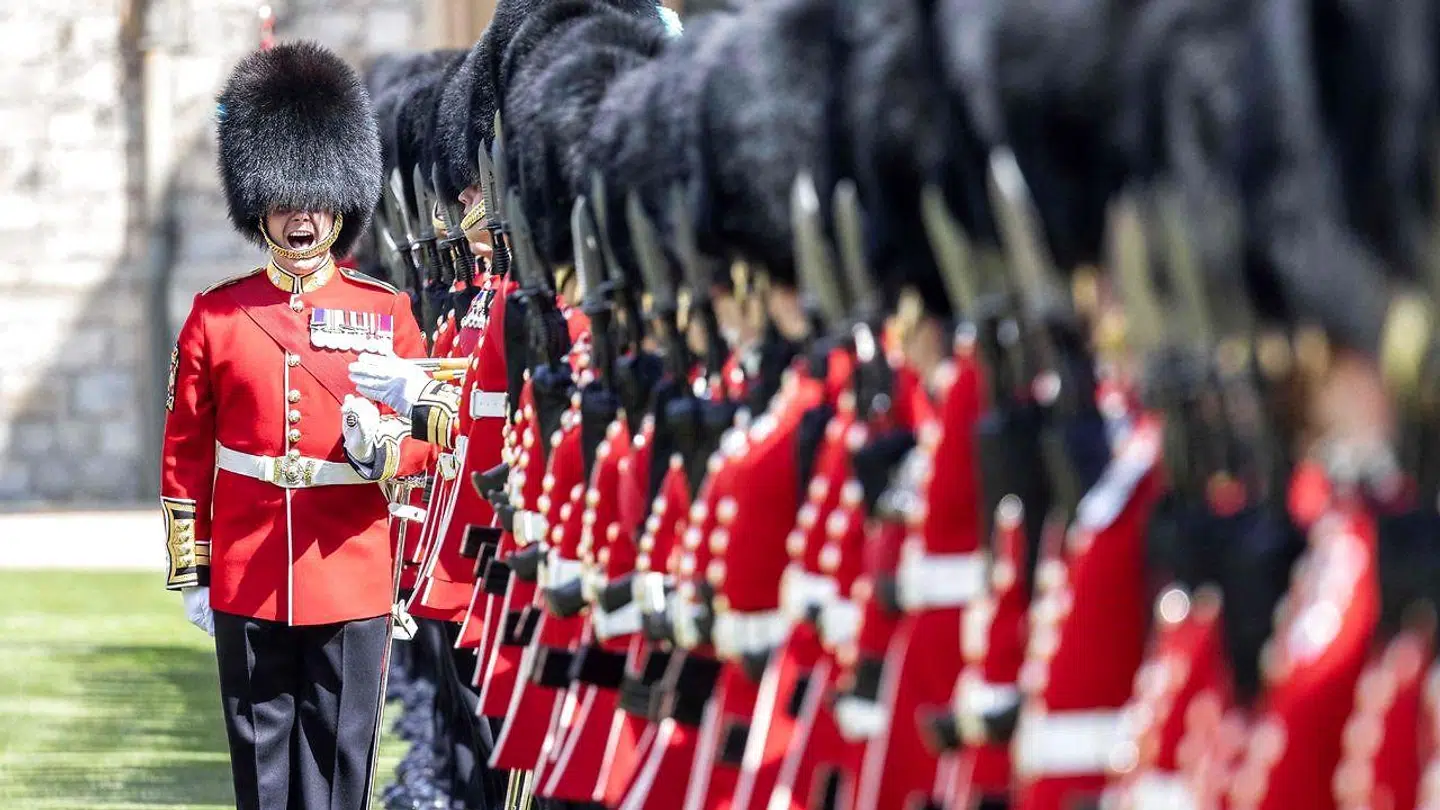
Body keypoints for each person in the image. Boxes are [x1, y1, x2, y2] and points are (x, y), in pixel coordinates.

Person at [160, 40, 432, 810]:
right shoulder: (218, 315)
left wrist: (390, 448)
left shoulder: (387, 311)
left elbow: (432, 434)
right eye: (284, 198)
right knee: (261, 768)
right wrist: (192, 569)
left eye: (315, 198)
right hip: (248, 566)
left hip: (349, 566)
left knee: (343, 766)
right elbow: (184, 452)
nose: (302, 215)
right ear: (259, 202)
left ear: (341, 199)